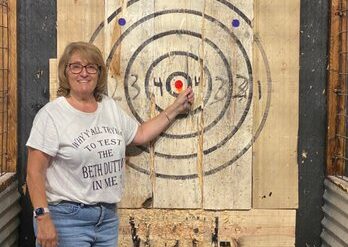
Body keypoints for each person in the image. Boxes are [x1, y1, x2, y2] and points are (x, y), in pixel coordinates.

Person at [26, 41, 194, 247]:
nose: (84, 73)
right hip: (66, 220)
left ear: (99, 73)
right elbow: (34, 172)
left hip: (106, 219)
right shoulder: (52, 115)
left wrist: (176, 108)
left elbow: (140, 134)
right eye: (76, 66)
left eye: (91, 67)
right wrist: (42, 218)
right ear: (65, 72)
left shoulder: (108, 107)